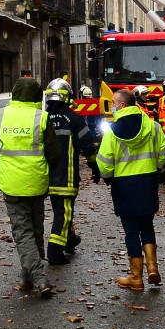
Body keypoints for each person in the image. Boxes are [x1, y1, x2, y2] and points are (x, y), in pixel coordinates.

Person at [0, 77, 59, 297]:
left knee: (23, 232)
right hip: (37, 180)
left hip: (11, 182)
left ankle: (37, 277)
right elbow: (54, 153)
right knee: (35, 230)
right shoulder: (42, 118)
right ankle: (27, 278)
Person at [96, 89, 165, 290]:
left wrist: (108, 178)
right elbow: (163, 153)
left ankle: (136, 278)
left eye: (113, 102)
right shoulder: (152, 126)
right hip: (147, 181)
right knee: (147, 225)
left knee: (130, 230)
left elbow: (104, 162)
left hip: (124, 185)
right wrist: (156, 169)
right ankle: (153, 268)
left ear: (122, 105)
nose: (111, 105)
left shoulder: (111, 131)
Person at [43, 78, 99, 265]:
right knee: (64, 212)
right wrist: (95, 167)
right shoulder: (74, 119)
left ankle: (70, 239)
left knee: (60, 210)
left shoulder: (42, 119)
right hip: (66, 177)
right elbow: (88, 146)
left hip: (45, 177)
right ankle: (54, 251)